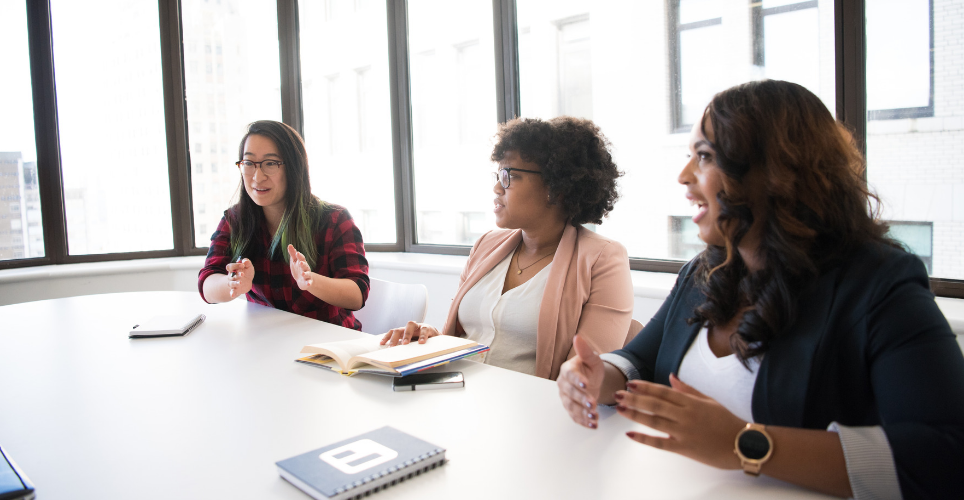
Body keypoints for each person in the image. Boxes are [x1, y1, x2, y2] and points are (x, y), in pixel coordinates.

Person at [557, 80, 964, 498]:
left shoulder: (881, 284)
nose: (684, 176)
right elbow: (639, 361)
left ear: (777, 172)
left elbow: (945, 455)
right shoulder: (706, 270)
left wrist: (743, 445)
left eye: (704, 157)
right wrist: (597, 375)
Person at [381, 116, 633, 380]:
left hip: (529, 411)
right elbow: (465, 337)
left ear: (557, 188)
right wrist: (431, 339)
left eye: (509, 175)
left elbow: (585, 377)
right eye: (498, 174)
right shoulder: (486, 245)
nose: (497, 187)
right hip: (453, 394)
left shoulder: (602, 259)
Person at [198, 120, 370, 329]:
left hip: (328, 347)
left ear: (294, 168)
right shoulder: (235, 220)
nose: (257, 177)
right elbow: (207, 283)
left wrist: (310, 281)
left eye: (270, 163)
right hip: (267, 343)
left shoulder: (334, 220)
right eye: (249, 163)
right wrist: (232, 283)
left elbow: (357, 294)